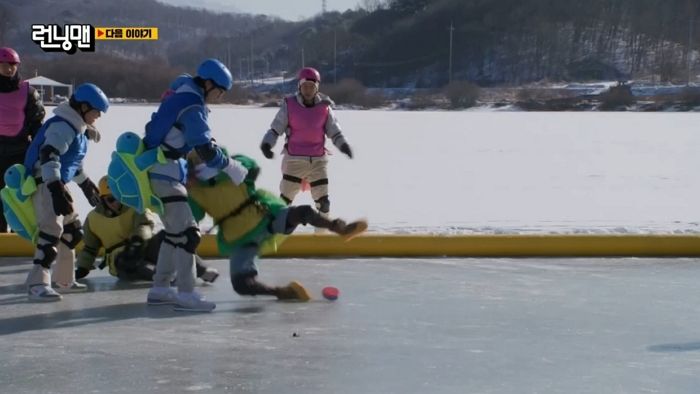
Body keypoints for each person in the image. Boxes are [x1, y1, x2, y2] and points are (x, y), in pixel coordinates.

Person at [142, 58, 249, 312]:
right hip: (165, 174)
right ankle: (186, 293)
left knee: (173, 234)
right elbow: (205, 148)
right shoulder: (192, 104)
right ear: (209, 83)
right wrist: (229, 166)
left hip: (162, 172)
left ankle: (160, 287)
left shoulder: (180, 95)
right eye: (220, 91)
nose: (220, 97)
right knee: (189, 234)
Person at [187, 151, 367, 301]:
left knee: (302, 213)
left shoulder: (230, 168)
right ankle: (283, 292)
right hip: (240, 238)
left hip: (265, 217)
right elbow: (192, 215)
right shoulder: (194, 192)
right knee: (242, 285)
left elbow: (252, 167)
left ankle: (339, 228)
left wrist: (228, 165)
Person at [23, 83, 108, 301]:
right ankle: (37, 282)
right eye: (96, 112)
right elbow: (48, 156)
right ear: (83, 107)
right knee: (51, 233)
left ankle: (63, 279)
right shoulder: (63, 127)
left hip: (57, 183)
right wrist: (55, 189)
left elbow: (71, 162)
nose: (97, 116)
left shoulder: (76, 128)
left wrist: (85, 184)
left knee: (72, 232)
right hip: (46, 184)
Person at [259, 67, 353, 231]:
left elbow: (334, 131)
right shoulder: (289, 105)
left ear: (317, 87)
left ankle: (321, 236)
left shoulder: (325, 108)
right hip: (294, 160)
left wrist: (343, 145)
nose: (308, 90)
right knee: (284, 201)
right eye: (305, 86)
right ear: (299, 87)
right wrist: (267, 144)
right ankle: (273, 232)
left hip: (318, 161)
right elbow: (276, 128)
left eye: (311, 86)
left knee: (323, 202)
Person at [75, 176, 219, 283]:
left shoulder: (135, 206)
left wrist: (137, 242)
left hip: (143, 246)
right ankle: (165, 278)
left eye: (119, 197)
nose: (116, 203)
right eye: (111, 199)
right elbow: (90, 248)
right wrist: (82, 268)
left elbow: (144, 224)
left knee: (169, 237)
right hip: (121, 260)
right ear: (102, 199)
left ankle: (202, 270)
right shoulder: (93, 219)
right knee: (132, 263)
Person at [0, 47, 45, 232]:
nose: (9, 69)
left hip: (20, 151)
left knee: (23, 196)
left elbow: (37, 123)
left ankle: (24, 233)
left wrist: (41, 151)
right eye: (4, 65)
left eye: (13, 65)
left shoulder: (28, 92)